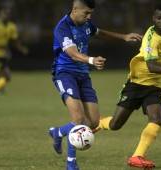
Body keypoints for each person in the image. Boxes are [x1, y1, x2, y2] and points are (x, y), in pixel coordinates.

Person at [47, 0, 142, 169]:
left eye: (91, 14)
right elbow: (72, 53)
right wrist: (91, 60)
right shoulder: (62, 27)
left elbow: (100, 33)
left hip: (83, 75)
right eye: (86, 13)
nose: (89, 17)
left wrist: (124, 36)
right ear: (75, 10)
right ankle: (71, 163)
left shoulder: (86, 23)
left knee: (93, 122)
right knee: (78, 119)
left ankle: (58, 132)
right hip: (65, 74)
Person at [97, 4, 161, 169]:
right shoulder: (151, 36)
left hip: (155, 86)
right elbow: (151, 66)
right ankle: (98, 124)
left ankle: (137, 156)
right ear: (153, 19)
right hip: (136, 83)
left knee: (157, 118)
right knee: (115, 125)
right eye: (159, 18)